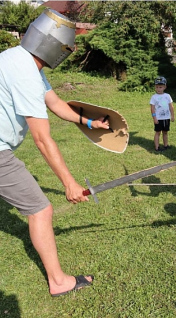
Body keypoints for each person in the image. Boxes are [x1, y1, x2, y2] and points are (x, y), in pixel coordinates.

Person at [0, 9, 109, 296]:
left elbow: (55, 102)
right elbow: (42, 139)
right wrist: (69, 183)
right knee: (40, 209)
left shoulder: (19, 59)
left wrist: (88, 121)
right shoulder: (25, 72)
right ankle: (59, 282)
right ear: (54, 43)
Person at [150, 76, 174, 152]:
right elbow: (152, 108)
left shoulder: (167, 96)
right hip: (158, 119)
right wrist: (154, 118)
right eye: (157, 87)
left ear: (164, 87)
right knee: (158, 132)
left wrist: (172, 115)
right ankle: (157, 147)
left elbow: (171, 106)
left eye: (160, 87)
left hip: (166, 118)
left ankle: (166, 145)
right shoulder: (154, 97)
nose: (158, 89)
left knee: (165, 132)